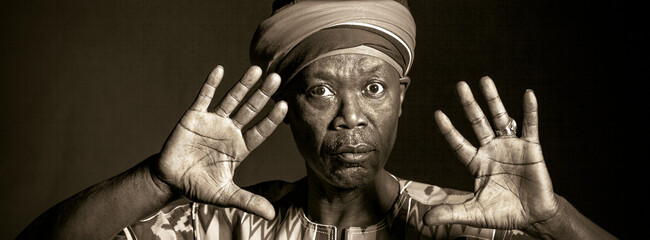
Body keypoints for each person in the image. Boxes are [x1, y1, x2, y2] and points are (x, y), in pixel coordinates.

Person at [17, 0, 617, 239]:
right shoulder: (219, 227)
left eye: (375, 87)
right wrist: (156, 180)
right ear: (285, 111)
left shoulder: (459, 223)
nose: (350, 117)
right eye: (322, 90)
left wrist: (551, 218)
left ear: (401, 98)